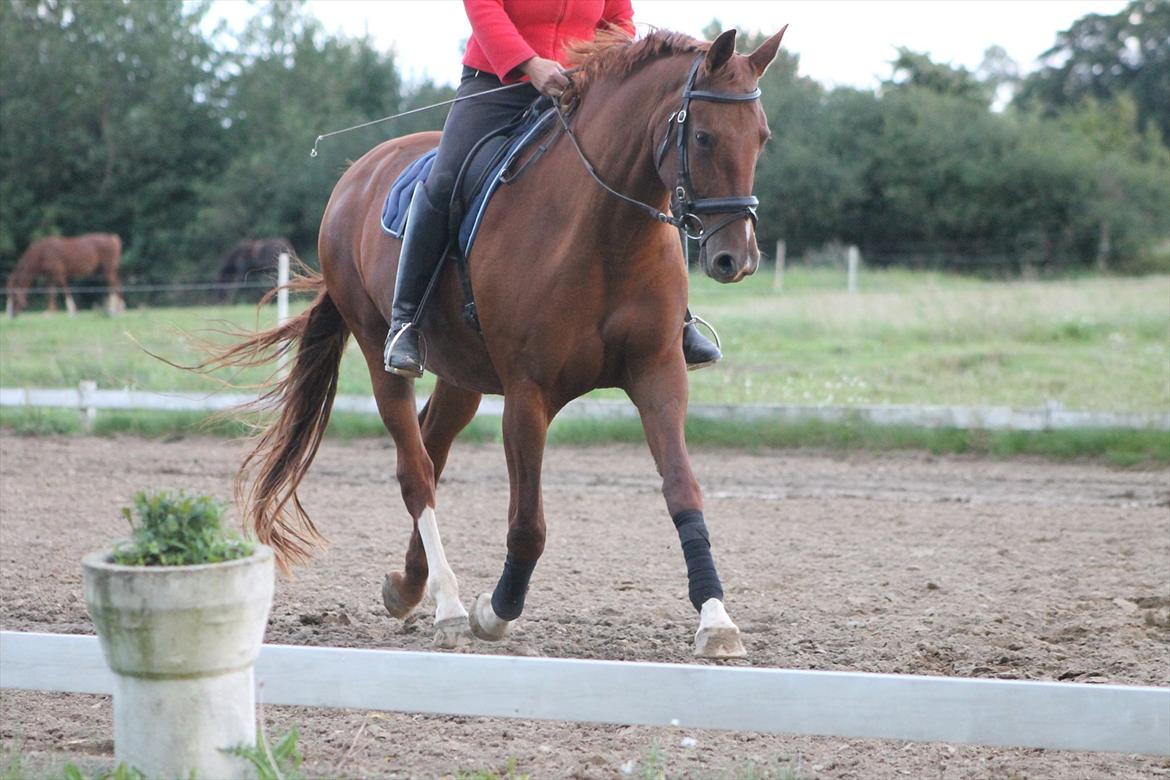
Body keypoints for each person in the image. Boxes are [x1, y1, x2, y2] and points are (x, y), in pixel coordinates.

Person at [385, 0, 723, 377]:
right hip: (498, 83)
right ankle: (406, 323)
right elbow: (483, 7)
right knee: (444, 180)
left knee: (637, 173)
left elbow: (619, 19)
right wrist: (530, 64)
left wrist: (597, 64)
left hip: (578, 87)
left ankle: (678, 319)